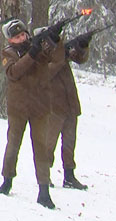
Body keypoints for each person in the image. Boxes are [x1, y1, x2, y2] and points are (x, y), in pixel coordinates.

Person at [0, 19, 64, 209]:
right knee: (13, 144)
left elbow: (56, 58)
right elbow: (14, 72)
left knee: (41, 148)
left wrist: (55, 39)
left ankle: (43, 189)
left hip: (40, 106)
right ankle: (7, 179)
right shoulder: (8, 53)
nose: (22, 38)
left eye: (23, 34)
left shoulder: (38, 46)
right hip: (19, 108)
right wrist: (32, 53)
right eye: (17, 37)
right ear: (10, 40)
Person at [38, 26, 91, 190]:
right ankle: (44, 175)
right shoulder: (40, 57)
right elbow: (46, 74)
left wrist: (82, 45)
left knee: (70, 142)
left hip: (70, 104)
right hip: (54, 106)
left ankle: (69, 176)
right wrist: (60, 56)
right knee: (49, 143)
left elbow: (80, 58)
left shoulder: (59, 53)